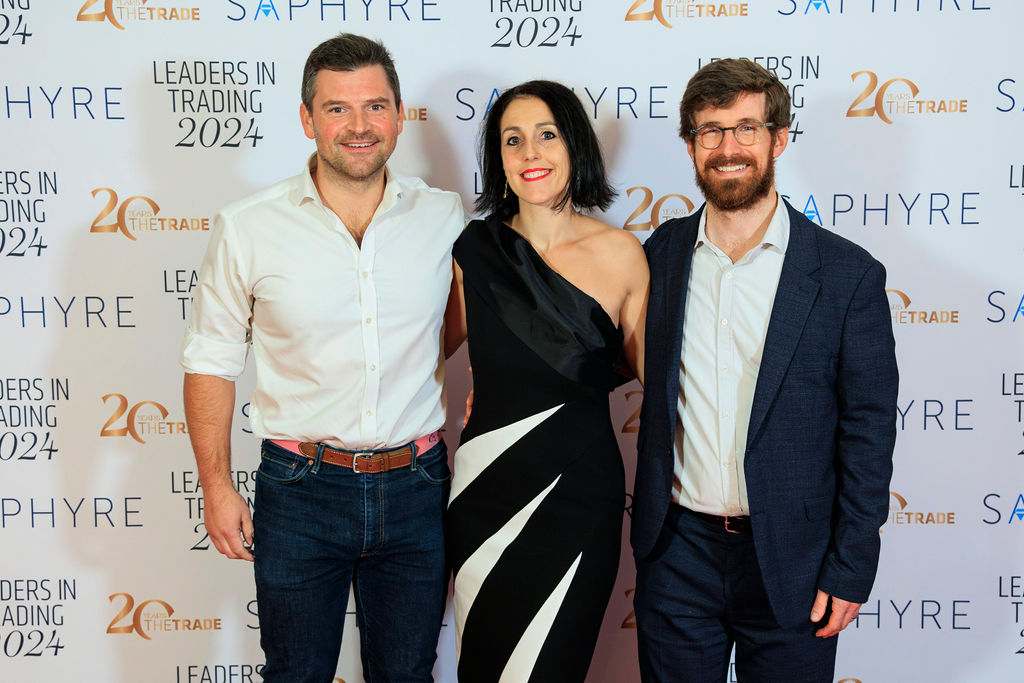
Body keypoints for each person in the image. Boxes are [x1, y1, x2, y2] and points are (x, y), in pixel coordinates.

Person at [179, 33, 465, 683]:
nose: (359, 126)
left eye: (375, 106)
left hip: (417, 487)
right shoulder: (247, 226)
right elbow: (210, 362)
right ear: (308, 119)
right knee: (296, 674)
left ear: (399, 116)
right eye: (338, 108)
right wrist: (216, 487)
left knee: (407, 674)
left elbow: (451, 330)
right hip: (299, 489)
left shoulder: (443, 216)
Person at [632, 58, 898, 683]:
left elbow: (868, 431)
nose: (729, 148)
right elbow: (601, 358)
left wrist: (851, 565)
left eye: (746, 128)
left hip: (796, 559)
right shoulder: (659, 256)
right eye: (711, 131)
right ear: (691, 146)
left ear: (778, 139)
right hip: (677, 554)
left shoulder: (848, 275)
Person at [444, 80, 649, 682]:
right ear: (499, 159)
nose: (530, 153)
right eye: (513, 140)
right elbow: (420, 359)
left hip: (579, 501)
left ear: (574, 146)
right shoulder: (474, 251)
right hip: (487, 497)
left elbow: (653, 375)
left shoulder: (622, 254)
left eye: (547, 135)